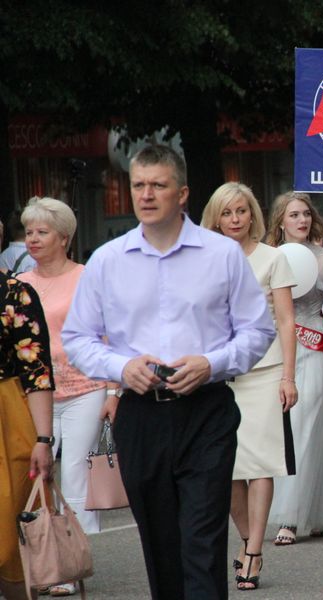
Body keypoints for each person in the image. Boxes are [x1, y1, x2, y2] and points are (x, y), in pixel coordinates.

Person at [62, 145, 276, 600]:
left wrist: (211, 363)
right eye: (138, 185)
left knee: (201, 539)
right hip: (141, 414)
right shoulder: (107, 260)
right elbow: (78, 338)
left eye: (158, 185)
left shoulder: (221, 255)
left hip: (206, 411)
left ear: (181, 193)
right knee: (161, 545)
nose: (146, 194)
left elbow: (258, 330)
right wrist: (122, 367)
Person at [200, 182, 298, 590]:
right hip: (218, 375)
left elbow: (288, 320)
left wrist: (289, 377)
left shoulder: (273, 258)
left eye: (241, 211)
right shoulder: (204, 257)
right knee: (226, 471)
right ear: (215, 218)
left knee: (259, 465)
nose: (235, 219)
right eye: (227, 213)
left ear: (252, 214)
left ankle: (254, 551)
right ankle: (246, 539)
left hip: (264, 372)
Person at [16, 198, 107, 596]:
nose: (32, 239)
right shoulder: (20, 285)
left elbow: (108, 333)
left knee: (74, 473)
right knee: (38, 474)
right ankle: (38, 558)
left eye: (42, 232)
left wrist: (115, 390)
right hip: (36, 395)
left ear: (64, 237)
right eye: (29, 232)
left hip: (85, 387)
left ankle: (71, 565)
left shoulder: (87, 277)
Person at [265, 192, 323, 544]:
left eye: (306, 214)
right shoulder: (268, 258)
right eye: (293, 215)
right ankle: (297, 508)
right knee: (285, 428)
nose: (302, 220)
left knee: (311, 427)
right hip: (277, 351)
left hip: (317, 347)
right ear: (280, 221)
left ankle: (294, 516)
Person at [0, 276, 54, 600]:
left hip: (8, 419)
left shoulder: (13, 294)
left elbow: (36, 370)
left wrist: (44, 439)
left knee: (10, 539)